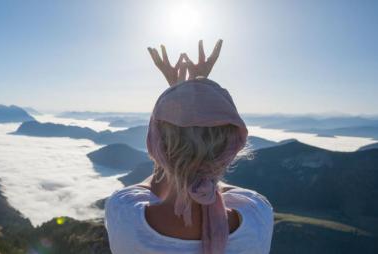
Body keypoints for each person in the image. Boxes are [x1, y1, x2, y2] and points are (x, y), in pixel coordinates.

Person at [104, 39, 274, 254]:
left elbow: (163, 175)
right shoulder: (258, 213)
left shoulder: (124, 214)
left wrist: (179, 93)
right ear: (232, 149)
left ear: (157, 148)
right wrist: (194, 91)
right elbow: (204, 183)